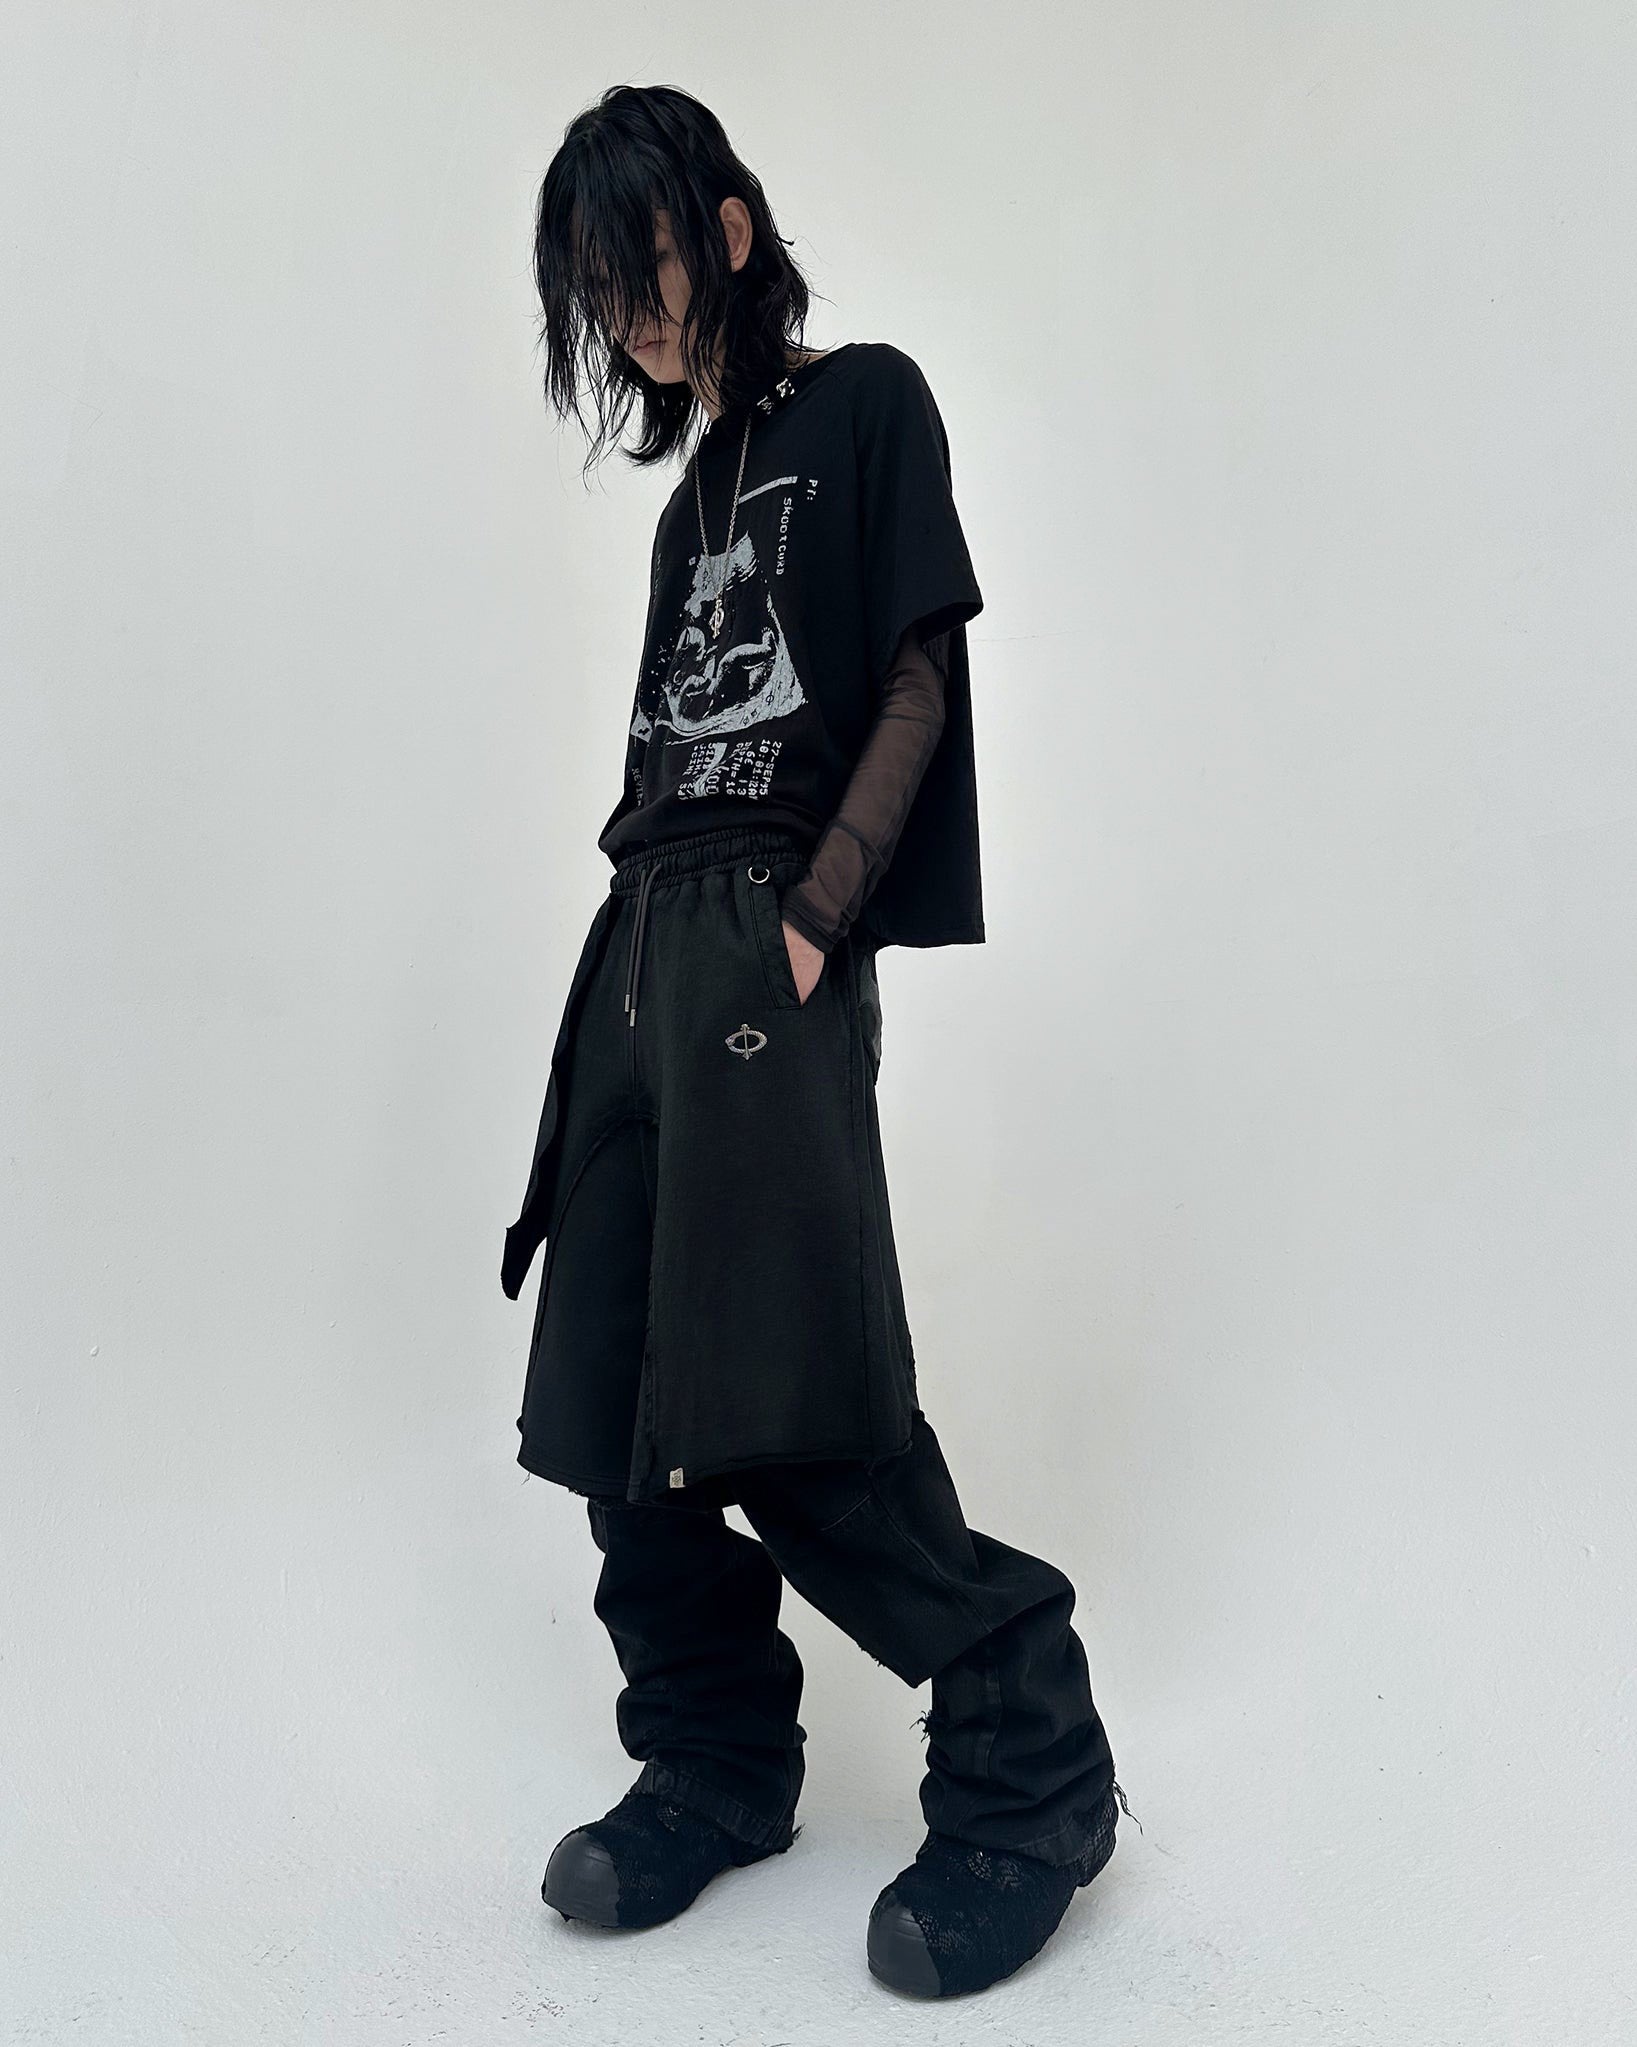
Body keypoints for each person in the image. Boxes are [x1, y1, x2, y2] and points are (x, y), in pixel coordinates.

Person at [501, 82, 1135, 2000]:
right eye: (595, 294)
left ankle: (1031, 1768)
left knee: (792, 1395)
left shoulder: (867, 406)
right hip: (636, 946)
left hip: (767, 943)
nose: (629, 317)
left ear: (728, 230)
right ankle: (713, 1759)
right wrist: (645, 964)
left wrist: (811, 921)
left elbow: (916, 677)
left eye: (640, 265)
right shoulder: (683, 505)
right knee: (613, 1398)